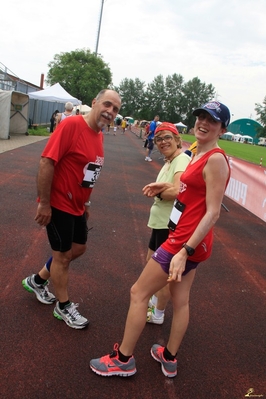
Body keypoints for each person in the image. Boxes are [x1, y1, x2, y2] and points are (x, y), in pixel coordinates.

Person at [89, 101, 231, 377]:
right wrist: (165, 186)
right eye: (200, 116)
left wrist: (184, 251)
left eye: (212, 120)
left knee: (138, 292)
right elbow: (190, 192)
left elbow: (213, 212)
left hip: (184, 242)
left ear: (222, 128)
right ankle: (169, 356)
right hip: (189, 240)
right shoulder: (198, 152)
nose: (203, 122)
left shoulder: (214, 158)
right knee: (181, 301)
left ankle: (123, 360)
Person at [22, 89, 121, 329]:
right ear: (94, 102)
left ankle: (37, 280)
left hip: (77, 206)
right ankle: (63, 306)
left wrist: (86, 203)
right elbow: (47, 161)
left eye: (116, 109)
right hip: (58, 204)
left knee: (78, 248)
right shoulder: (72, 126)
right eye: (107, 105)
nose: (110, 111)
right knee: (63, 257)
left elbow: (88, 173)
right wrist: (44, 203)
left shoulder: (99, 135)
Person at [142, 123, 191, 325]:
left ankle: (158, 314)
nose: (163, 142)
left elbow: (181, 190)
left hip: (169, 225)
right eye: (159, 139)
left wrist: (159, 193)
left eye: (167, 137)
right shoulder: (170, 160)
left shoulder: (180, 160)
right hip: (160, 222)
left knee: (161, 274)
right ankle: (154, 304)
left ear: (177, 139)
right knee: (150, 266)